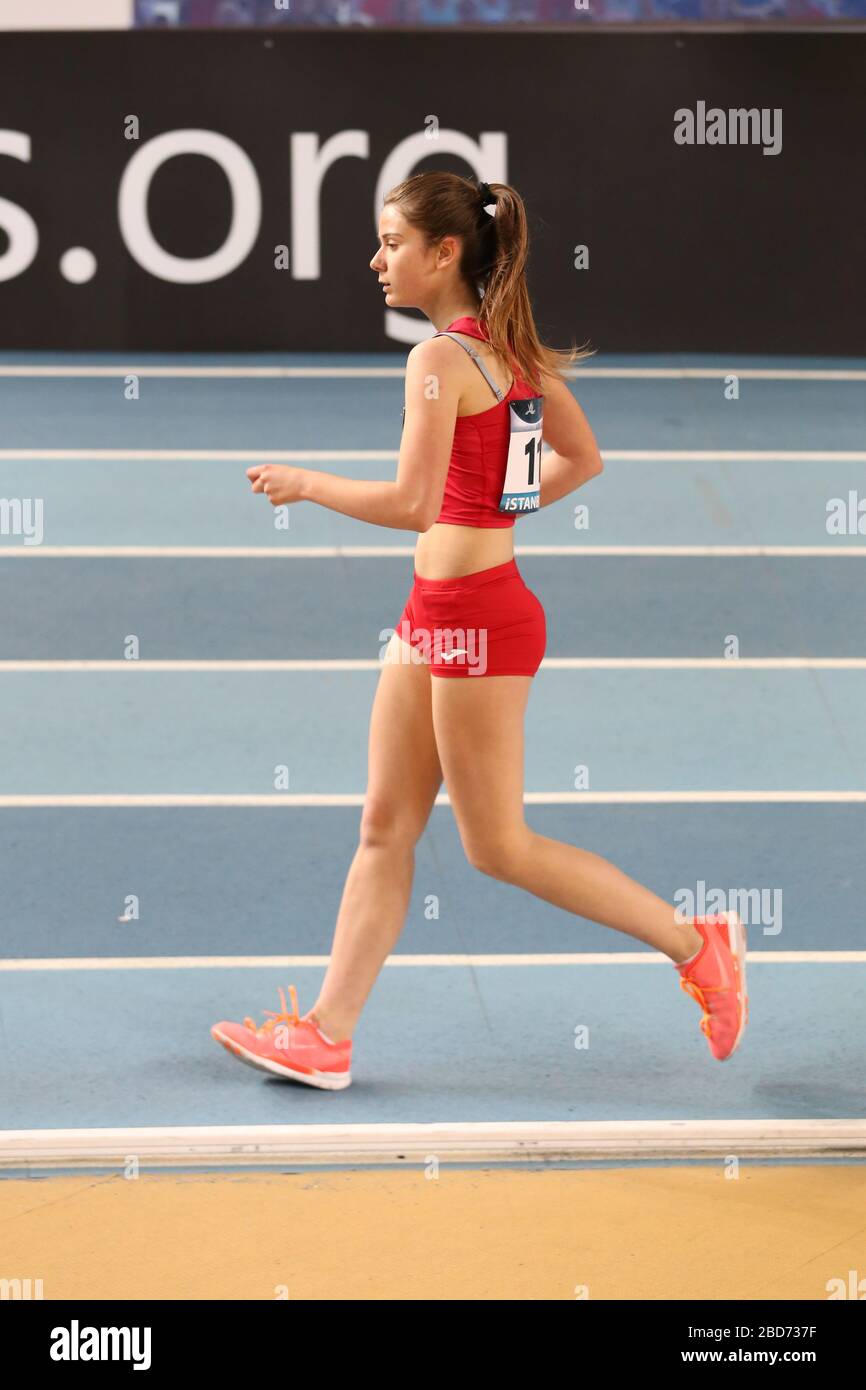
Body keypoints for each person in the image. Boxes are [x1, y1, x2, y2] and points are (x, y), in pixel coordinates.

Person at [211, 171, 748, 1089]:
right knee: (385, 823)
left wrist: (308, 484)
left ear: (444, 252)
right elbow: (582, 459)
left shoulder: (439, 362)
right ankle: (327, 1035)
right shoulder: (509, 351)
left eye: (391, 243)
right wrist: (494, 508)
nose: (377, 260)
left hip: (477, 620)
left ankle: (696, 942)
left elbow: (415, 504)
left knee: (497, 846)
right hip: (437, 614)